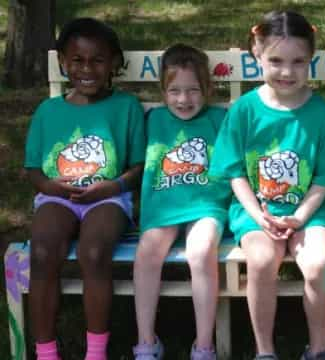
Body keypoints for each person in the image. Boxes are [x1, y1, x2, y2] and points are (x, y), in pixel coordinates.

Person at [209, 10, 325, 360]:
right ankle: (265, 350)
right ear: (257, 56)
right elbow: (235, 172)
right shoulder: (245, 110)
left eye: (298, 61)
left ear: (311, 59)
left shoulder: (322, 114)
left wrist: (298, 218)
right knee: (262, 258)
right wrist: (260, 215)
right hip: (255, 210)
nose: (287, 72)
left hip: (309, 211)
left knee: (317, 263)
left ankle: (318, 349)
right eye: (276, 60)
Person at [24, 18, 146, 360]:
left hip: (109, 198)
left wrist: (114, 186)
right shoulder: (48, 111)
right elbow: (32, 168)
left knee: (94, 253)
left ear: (113, 64)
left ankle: (96, 352)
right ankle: (46, 352)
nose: (87, 69)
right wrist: (50, 186)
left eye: (98, 60)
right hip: (56, 196)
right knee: (43, 252)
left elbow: (139, 166)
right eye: (77, 60)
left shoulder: (126, 108)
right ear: (63, 62)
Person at [133, 43, 230, 360]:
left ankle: (203, 345)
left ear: (208, 89)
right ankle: (147, 342)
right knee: (147, 252)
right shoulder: (153, 120)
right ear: (162, 90)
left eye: (193, 90)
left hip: (206, 205)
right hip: (163, 207)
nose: (183, 99)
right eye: (174, 90)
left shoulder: (219, 119)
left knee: (201, 250)